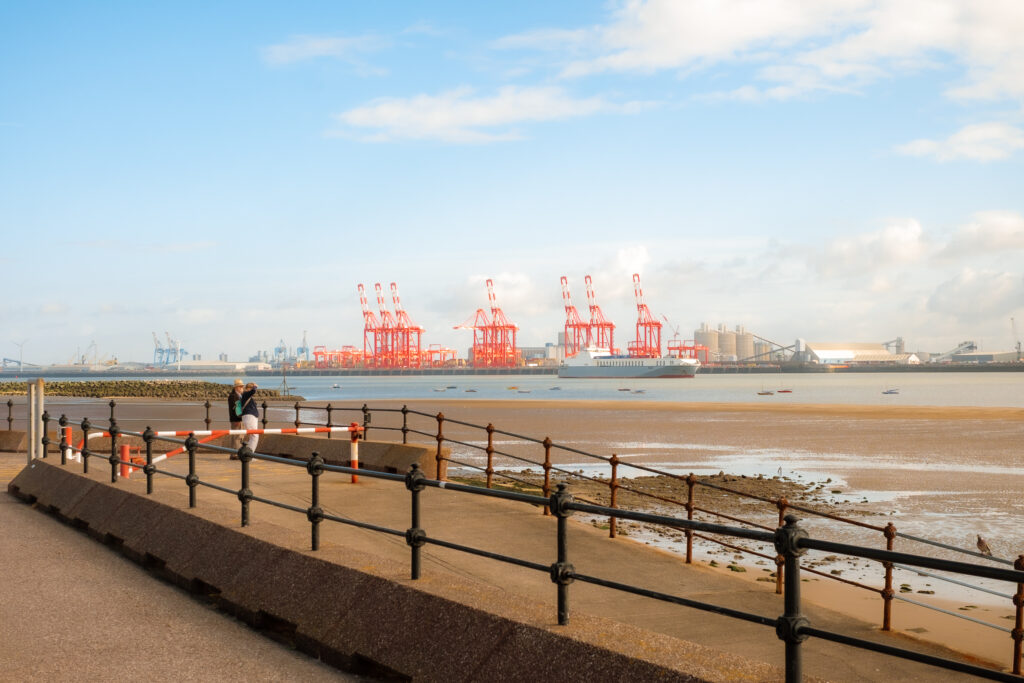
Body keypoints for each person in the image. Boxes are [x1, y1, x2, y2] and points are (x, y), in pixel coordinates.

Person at [240, 382, 260, 453]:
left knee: (253, 436)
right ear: (249, 388)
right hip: (250, 417)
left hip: (250, 417)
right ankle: (250, 454)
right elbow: (253, 391)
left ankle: (248, 452)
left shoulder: (246, 396)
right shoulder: (246, 394)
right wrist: (255, 386)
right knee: (254, 436)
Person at [227, 379, 244, 457]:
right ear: (236, 387)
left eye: (242, 386)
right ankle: (235, 454)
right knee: (236, 437)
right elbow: (235, 409)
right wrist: (238, 419)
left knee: (237, 436)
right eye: (241, 386)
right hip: (236, 419)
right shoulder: (234, 396)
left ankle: (235, 453)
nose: (242, 388)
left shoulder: (238, 395)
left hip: (237, 418)